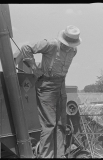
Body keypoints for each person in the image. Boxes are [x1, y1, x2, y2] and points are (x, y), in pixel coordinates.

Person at [14, 25, 82, 158]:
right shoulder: (50, 44)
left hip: (61, 84)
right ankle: (46, 156)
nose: (69, 47)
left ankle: (60, 155)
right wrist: (34, 68)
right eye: (67, 44)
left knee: (62, 123)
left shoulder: (74, 51)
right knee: (49, 124)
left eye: (71, 44)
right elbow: (26, 48)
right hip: (47, 85)